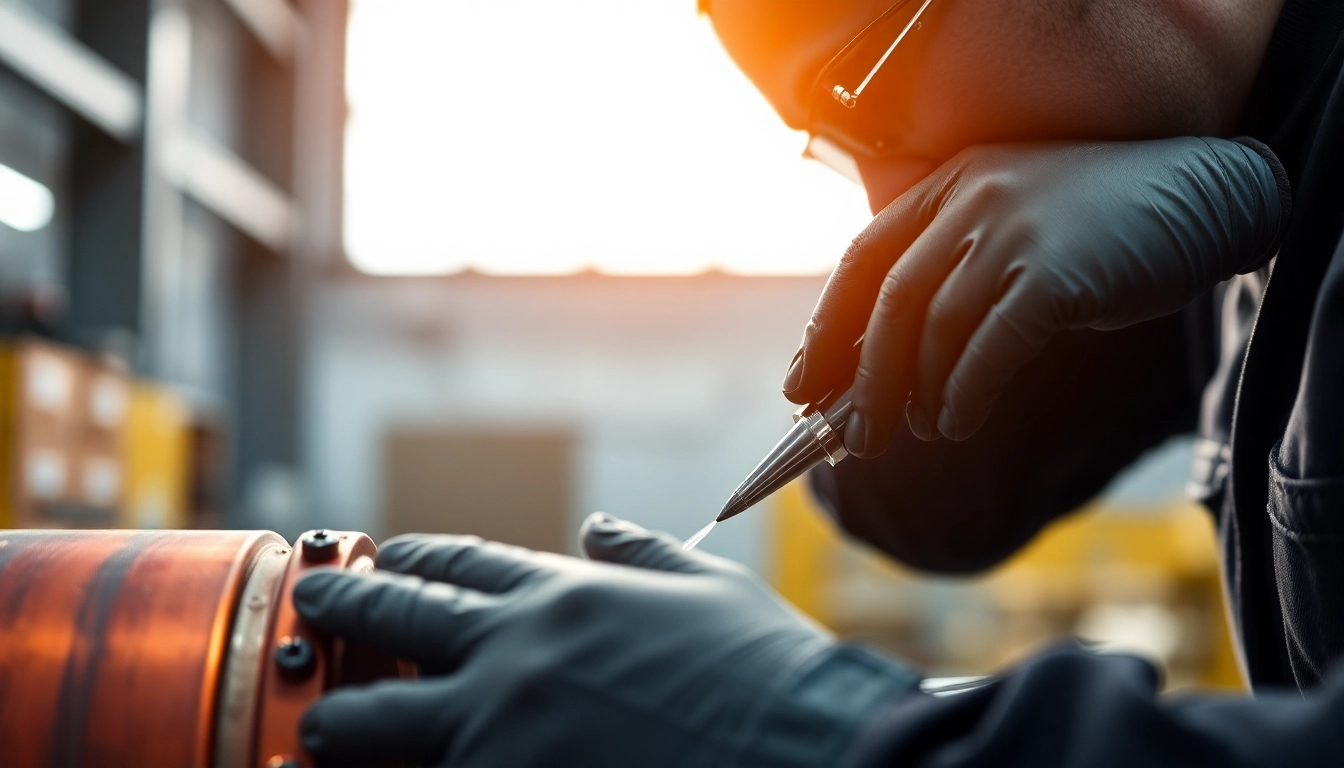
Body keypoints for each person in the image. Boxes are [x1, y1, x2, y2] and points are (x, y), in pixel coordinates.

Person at [293, 0, 1344, 764]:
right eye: (839, 147)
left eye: (866, 93)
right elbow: (925, 507)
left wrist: (833, 735)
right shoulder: (1212, 164)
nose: (891, 193)